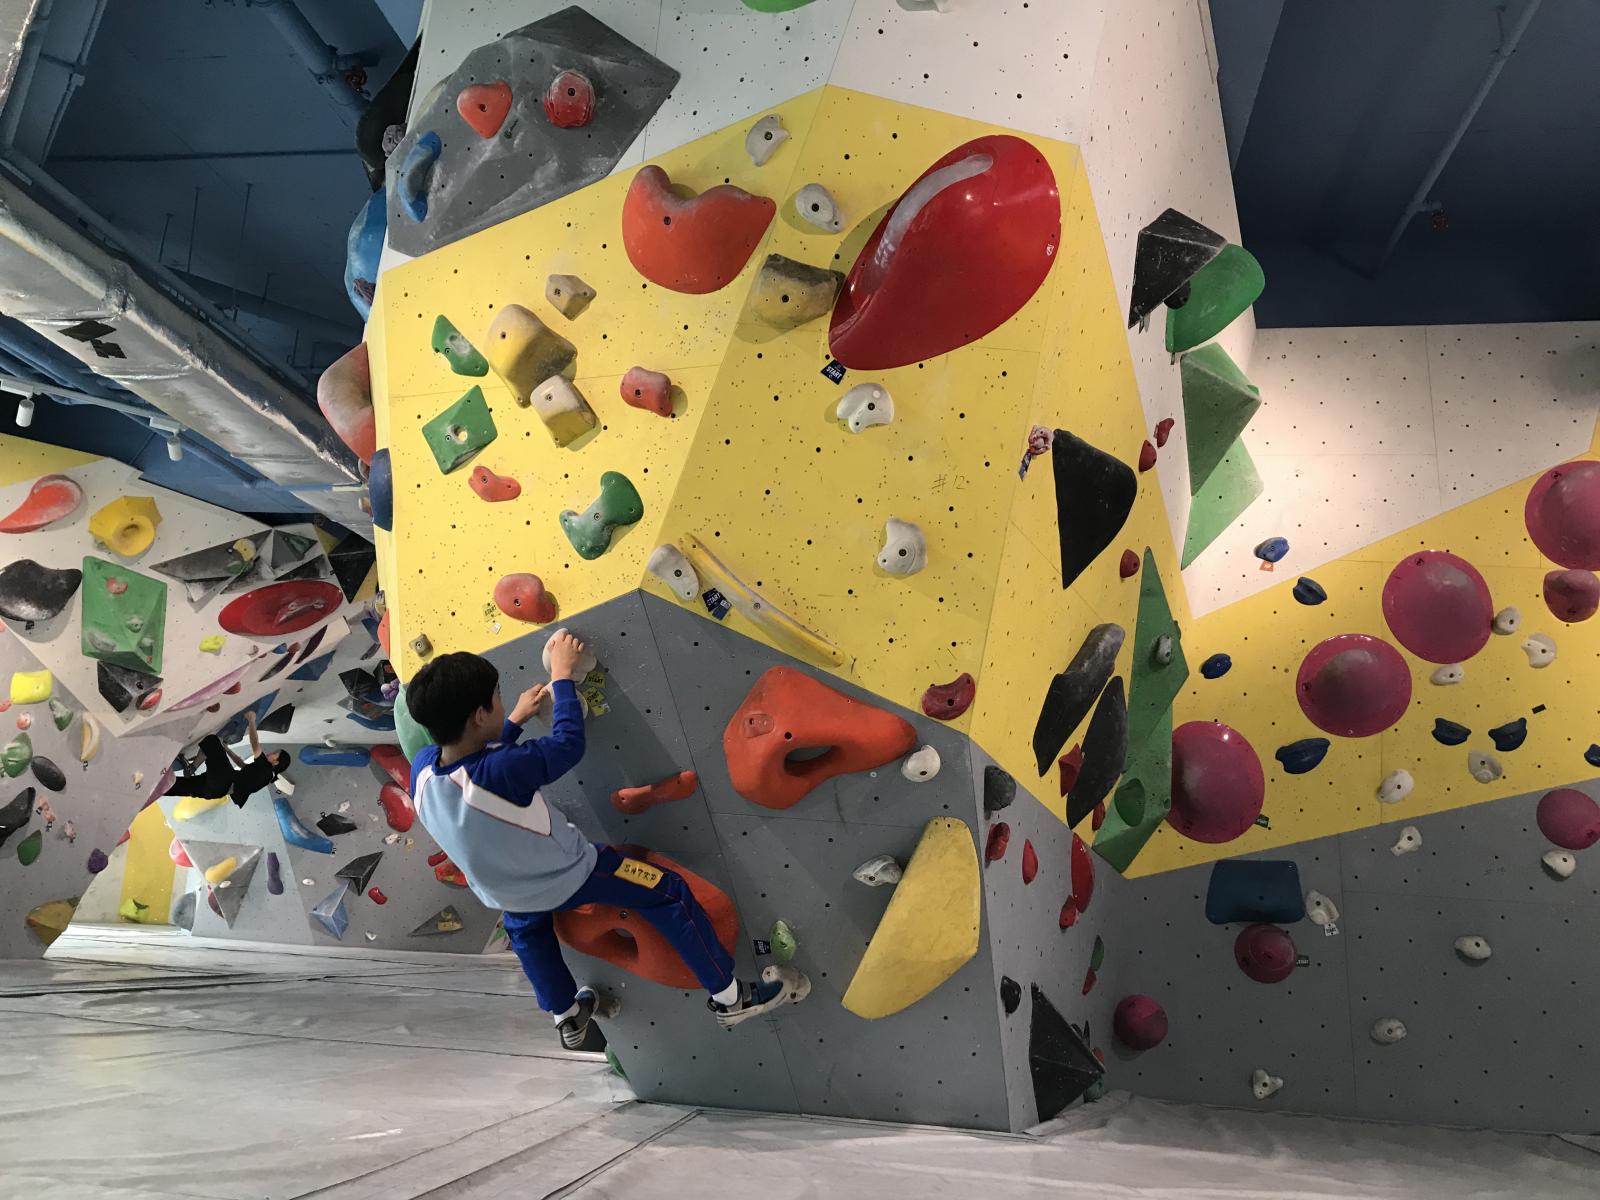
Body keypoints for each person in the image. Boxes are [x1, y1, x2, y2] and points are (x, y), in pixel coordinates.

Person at [405, 631, 796, 1050]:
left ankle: (566, 1015)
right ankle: (730, 997)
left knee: (531, 938)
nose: (502, 703)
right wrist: (562, 676)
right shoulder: (504, 769)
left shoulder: (423, 770)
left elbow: (473, 765)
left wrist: (513, 721)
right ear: (480, 716)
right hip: (572, 875)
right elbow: (566, 745)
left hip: (505, 893)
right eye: (497, 698)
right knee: (668, 892)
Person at [166, 710, 289, 807]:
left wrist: (251, 720)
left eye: (275, 753)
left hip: (223, 780)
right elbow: (241, 764)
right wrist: (226, 749)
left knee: (212, 741)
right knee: (179, 786)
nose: (271, 753)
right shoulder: (264, 776)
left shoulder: (266, 769)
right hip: (218, 791)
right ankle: (159, 787)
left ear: (276, 762)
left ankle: (192, 767)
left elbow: (255, 744)